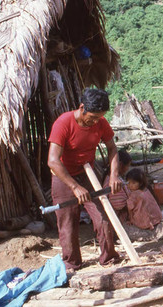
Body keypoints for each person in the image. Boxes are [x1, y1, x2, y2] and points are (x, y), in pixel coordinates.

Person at [48, 88, 122, 272]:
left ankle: (109, 258)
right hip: (64, 175)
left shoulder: (101, 122)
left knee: (102, 216)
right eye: (92, 118)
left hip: (88, 172)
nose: (95, 122)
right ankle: (71, 263)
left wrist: (114, 175)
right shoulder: (63, 123)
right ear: (82, 108)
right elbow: (53, 160)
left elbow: (113, 149)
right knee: (67, 222)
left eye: (99, 118)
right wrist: (74, 186)